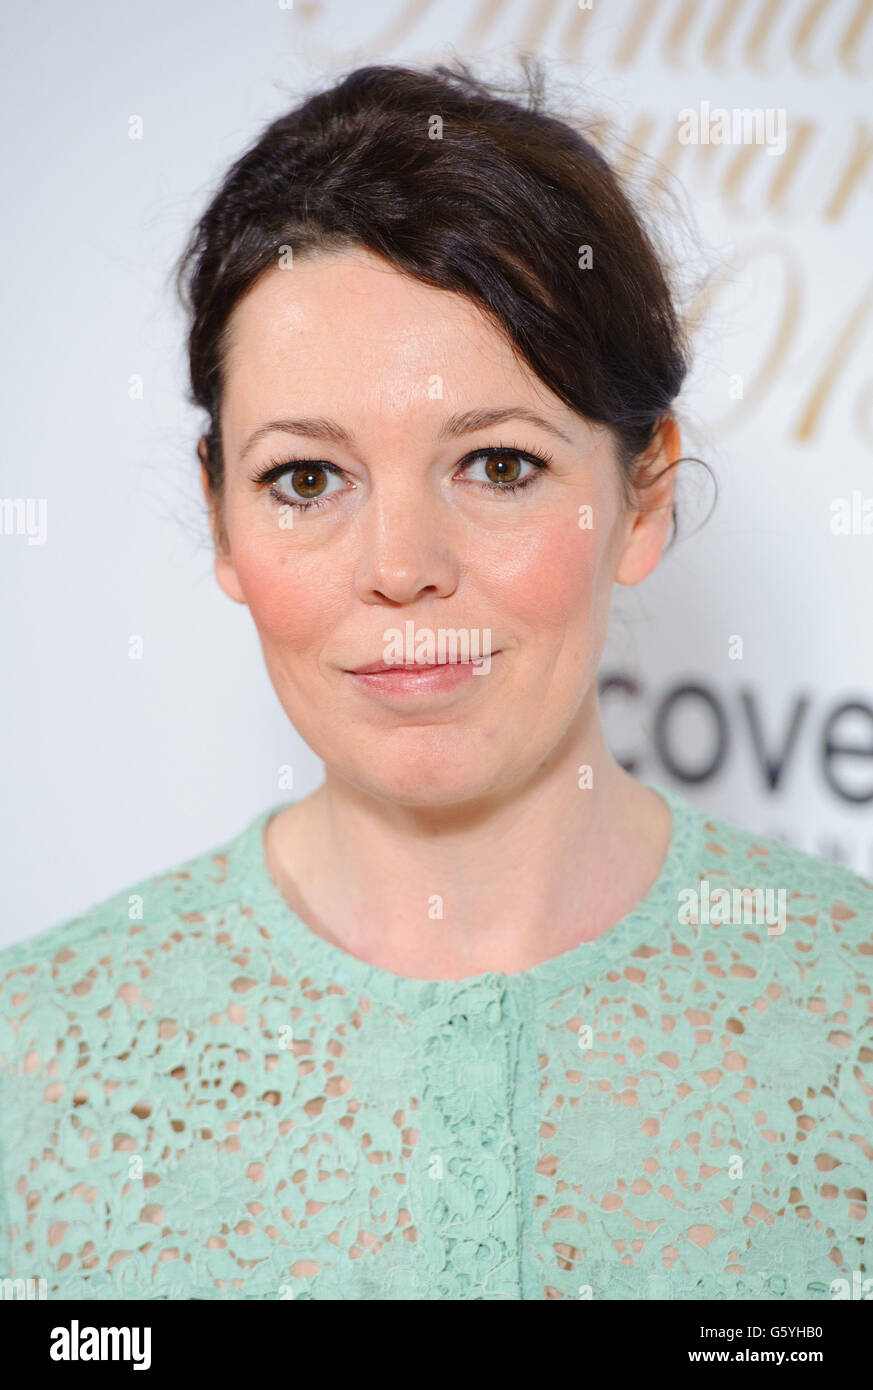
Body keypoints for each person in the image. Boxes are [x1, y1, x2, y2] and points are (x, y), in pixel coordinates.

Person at [1, 60, 870, 1302]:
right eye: (308, 479)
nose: (402, 569)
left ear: (646, 494)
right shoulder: (33, 1065)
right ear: (221, 518)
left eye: (499, 465)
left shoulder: (853, 1016)